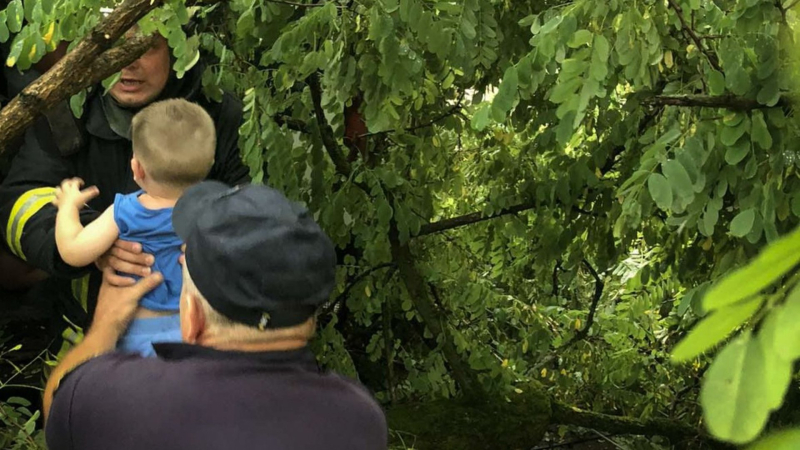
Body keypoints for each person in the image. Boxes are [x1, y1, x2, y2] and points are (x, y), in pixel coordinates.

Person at [43, 182, 388, 450]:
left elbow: (58, 410)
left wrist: (104, 325)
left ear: (192, 318)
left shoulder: (108, 395)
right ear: (311, 317)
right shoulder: (358, 417)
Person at [0, 31, 249, 339]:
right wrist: (97, 241)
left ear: (178, 46)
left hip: (205, 336)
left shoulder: (221, 113)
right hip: (84, 328)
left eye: (144, 47)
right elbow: (20, 202)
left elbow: (257, 220)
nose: (128, 63)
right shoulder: (67, 109)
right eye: (114, 47)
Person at [52, 99, 216, 356]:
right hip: (201, 330)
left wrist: (67, 208)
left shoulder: (126, 212)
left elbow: (73, 251)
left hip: (138, 335)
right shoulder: (216, 212)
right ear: (210, 164)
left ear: (136, 168)